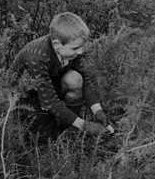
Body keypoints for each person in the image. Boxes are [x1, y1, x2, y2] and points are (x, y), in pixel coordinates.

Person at [13, 12, 113, 141]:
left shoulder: (70, 50)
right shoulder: (37, 57)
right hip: (24, 97)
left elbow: (85, 80)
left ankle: (70, 129)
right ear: (56, 45)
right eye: (75, 48)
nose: (80, 51)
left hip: (45, 86)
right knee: (44, 139)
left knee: (74, 78)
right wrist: (85, 125)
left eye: (81, 46)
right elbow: (49, 101)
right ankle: (65, 125)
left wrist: (98, 111)